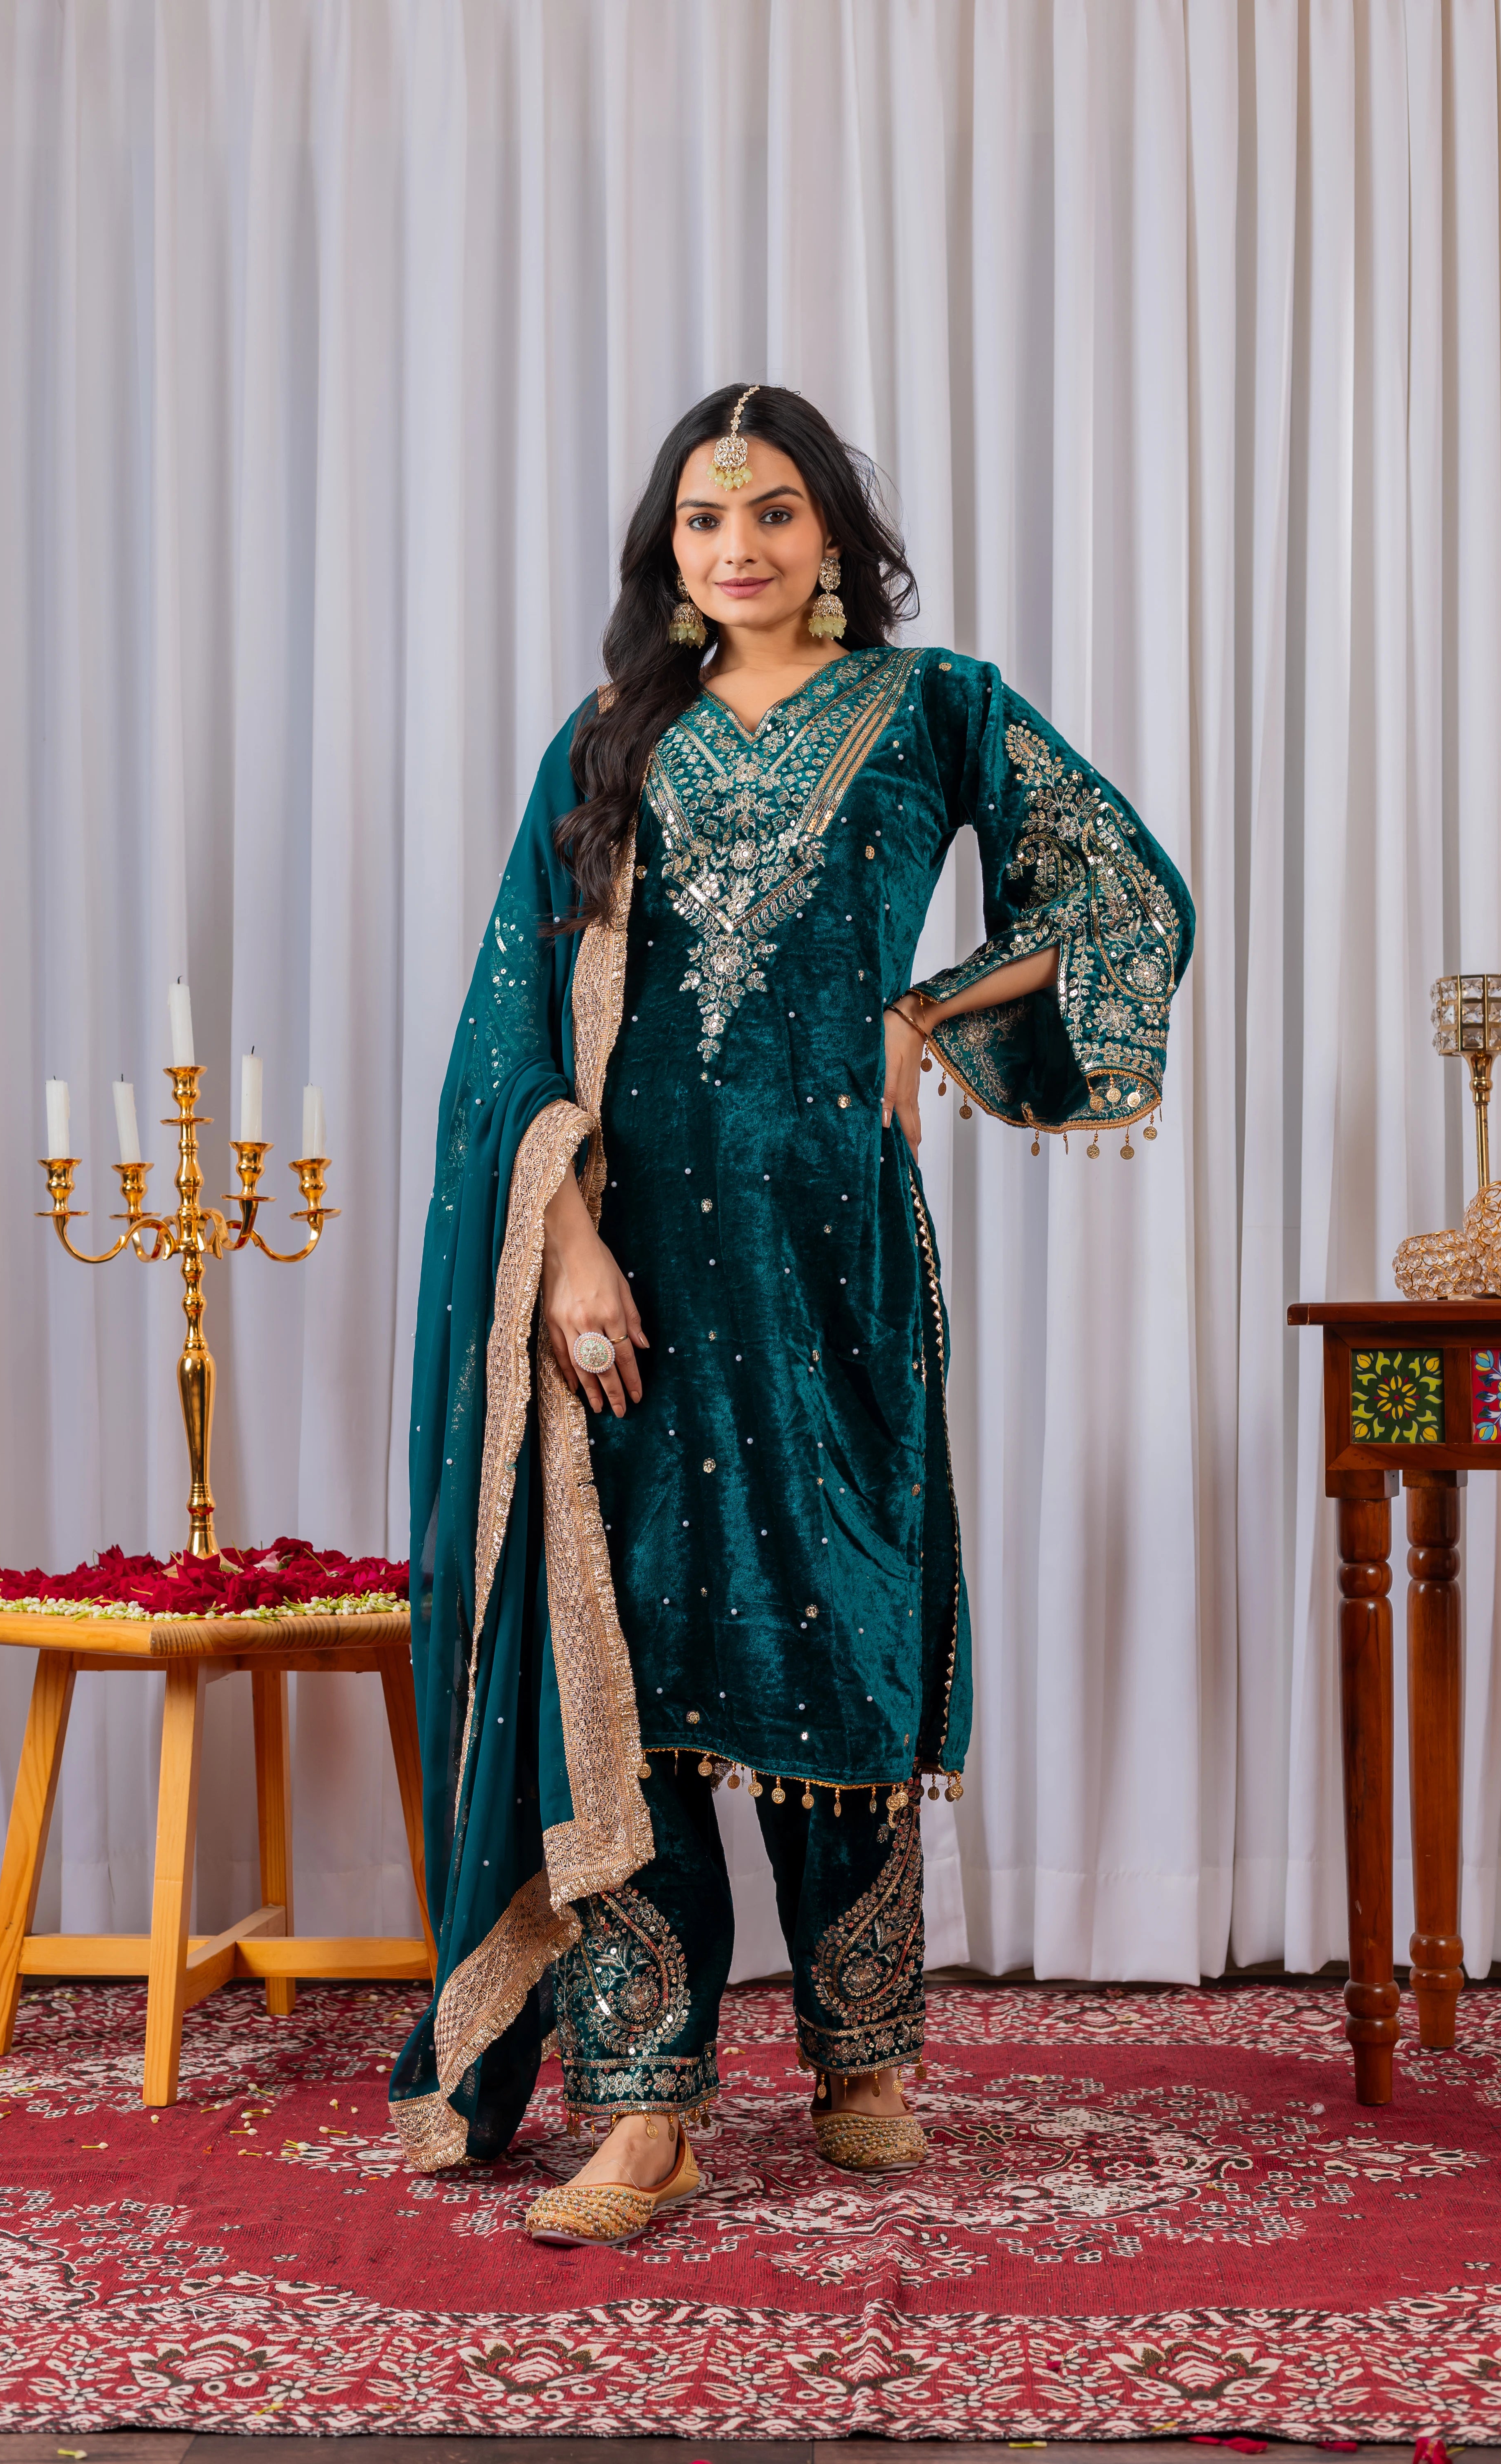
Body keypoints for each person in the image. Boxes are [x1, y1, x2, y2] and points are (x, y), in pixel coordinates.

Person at [388, 384, 1193, 2247]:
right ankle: (643, 2108)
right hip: (636, 1267)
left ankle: (862, 2054)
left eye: (769, 513)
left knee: (845, 1639)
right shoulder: (611, 737)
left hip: (835, 1262)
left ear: (832, 531)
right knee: (631, 1659)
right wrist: (564, 1245)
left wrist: (932, 1012)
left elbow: (1122, 889)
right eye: (701, 519)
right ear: (666, 551)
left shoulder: (937, 707)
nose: (735, 547)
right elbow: (514, 1019)